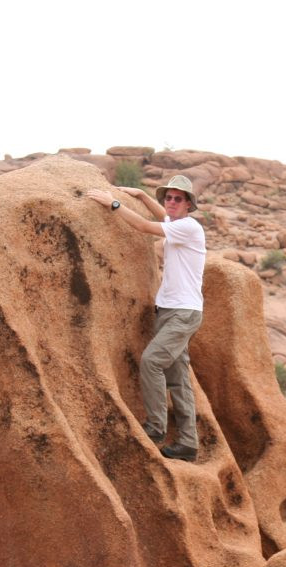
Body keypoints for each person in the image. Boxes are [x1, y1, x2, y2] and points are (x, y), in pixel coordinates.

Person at [87, 175, 204, 462]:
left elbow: (144, 226)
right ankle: (188, 444)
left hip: (183, 313)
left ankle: (154, 429)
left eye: (178, 198)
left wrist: (114, 204)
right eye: (169, 197)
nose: (172, 202)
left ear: (189, 204)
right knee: (178, 380)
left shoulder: (188, 227)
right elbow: (163, 215)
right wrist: (140, 196)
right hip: (171, 311)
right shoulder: (178, 223)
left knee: (151, 362)